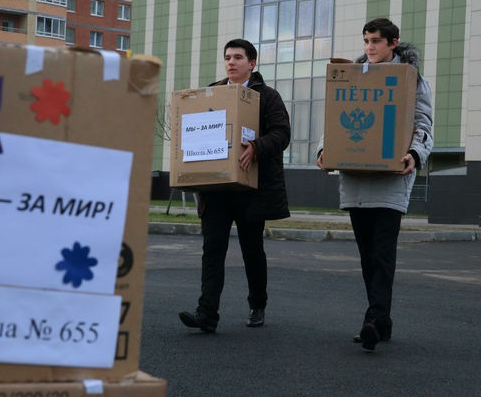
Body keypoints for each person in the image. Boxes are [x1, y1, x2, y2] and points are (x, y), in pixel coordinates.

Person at [316, 18, 433, 351]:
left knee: (382, 254)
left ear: (393, 43)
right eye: (366, 40)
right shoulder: (351, 76)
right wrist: (324, 149)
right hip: (354, 180)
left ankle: (374, 320)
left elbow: (423, 122)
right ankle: (381, 322)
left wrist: (415, 153)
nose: (370, 47)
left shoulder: (412, 80)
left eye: (376, 41)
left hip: (391, 178)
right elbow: (334, 118)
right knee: (368, 256)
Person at [179, 39, 291, 333]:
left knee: (252, 250)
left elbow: (282, 133)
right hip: (215, 190)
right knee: (212, 250)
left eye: (238, 57)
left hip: (250, 190)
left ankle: (257, 304)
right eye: (227, 57)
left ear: (252, 64)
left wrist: (256, 146)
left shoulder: (268, 97)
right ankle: (207, 314)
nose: (231, 62)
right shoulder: (209, 94)